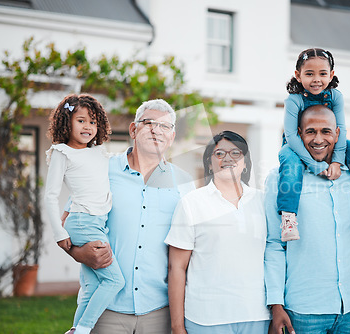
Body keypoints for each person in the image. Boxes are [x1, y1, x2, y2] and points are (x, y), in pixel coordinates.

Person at [63, 99, 195, 334]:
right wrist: (79, 253)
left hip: (159, 311)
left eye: (165, 126)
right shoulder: (100, 170)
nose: (157, 130)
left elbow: (192, 247)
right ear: (134, 129)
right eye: (149, 123)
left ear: (172, 137)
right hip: (105, 311)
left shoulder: (184, 183)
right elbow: (69, 223)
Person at [265, 105, 350, 334]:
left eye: (326, 131)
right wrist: (276, 305)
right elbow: (274, 244)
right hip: (304, 310)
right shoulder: (280, 179)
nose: (318, 139)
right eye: (311, 131)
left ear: (338, 134)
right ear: (299, 134)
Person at [166, 131, 270, 334]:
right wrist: (177, 326)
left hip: (257, 315)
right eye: (219, 153)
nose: (228, 159)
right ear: (209, 162)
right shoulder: (191, 203)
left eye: (236, 153)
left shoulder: (264, 201)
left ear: (246, 162)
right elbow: (176, 267)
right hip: (205, 318)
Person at [278, 47, 350, 242]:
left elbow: (340, 129)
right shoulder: (294, 100)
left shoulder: (335, 97)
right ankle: (288, 216)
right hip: (297, 143)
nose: (316, 79)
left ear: (331, 75)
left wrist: (337, 162)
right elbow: (291, 135)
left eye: (323, 73)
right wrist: (314, 165)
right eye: (309, 74)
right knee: (288, 161)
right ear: (298, 75)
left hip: (330, 143)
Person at [44, 94, 124, 334]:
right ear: (66, 122)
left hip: (97, 222)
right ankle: (83, 329)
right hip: (83, 223)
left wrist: (68, 208)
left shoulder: (98, 152)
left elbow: (87, 187)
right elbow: (49, 195)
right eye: (80, 120)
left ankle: (74, 329)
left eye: (92, 121)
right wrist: (59, 233)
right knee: (114, 280)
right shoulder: (62, 152)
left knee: (90, 286)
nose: (87, 126)